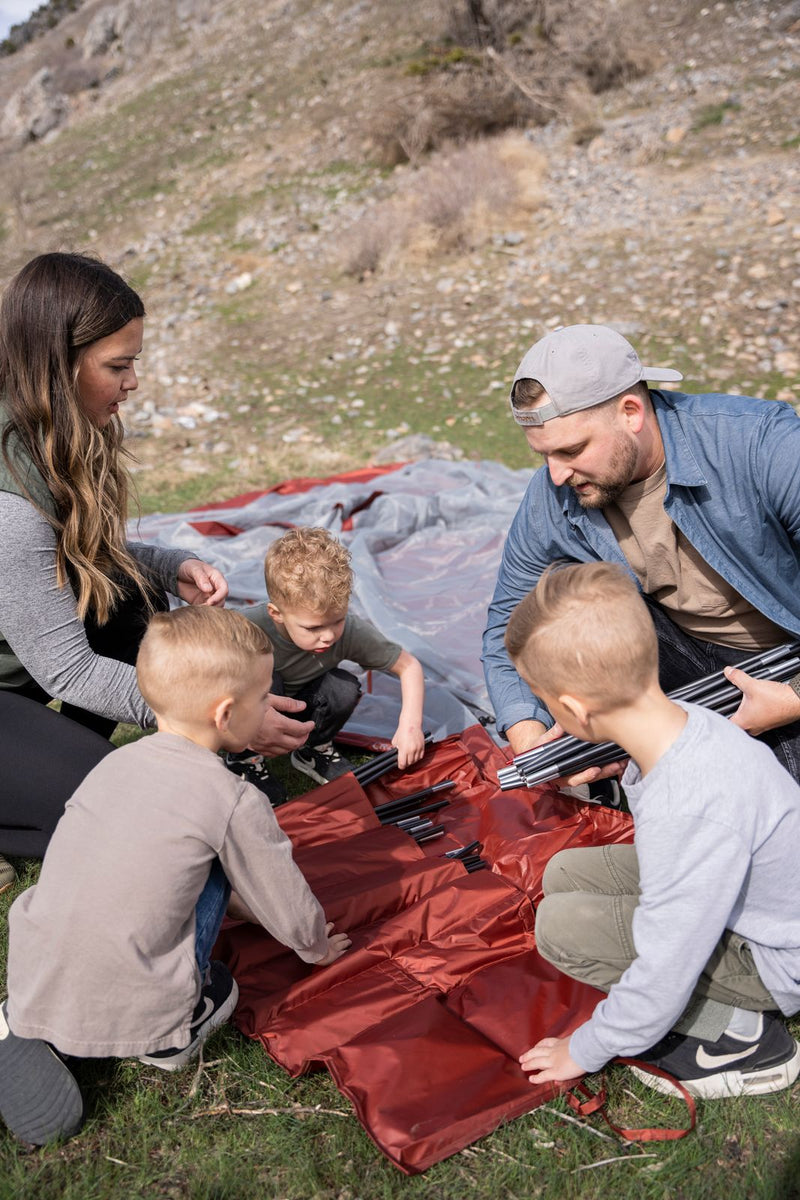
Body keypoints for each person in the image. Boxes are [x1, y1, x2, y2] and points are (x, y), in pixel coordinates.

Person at [0, 252, 312, 878]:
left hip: (26, 660)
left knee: (137, 598)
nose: (133, 382)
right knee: (124, 813)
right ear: (59, 369)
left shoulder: (63, 435)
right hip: (30, 675)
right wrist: (218, 717)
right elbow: (69, 671)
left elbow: (80, 556)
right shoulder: (11, 507)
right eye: (119, 365)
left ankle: (67, 762)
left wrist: (171, 565)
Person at [0, 605, 351, 1147]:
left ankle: (30, 1013)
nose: (266, 709)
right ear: (226, 713)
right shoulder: (232, 797)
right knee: (221, 870)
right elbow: (281, 891)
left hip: (34, 959)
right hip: (147, 1000)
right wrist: (316, 947)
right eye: (262, 700)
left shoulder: (112, 765)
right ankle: (168, 1033)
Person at [506, 562, 800, 1099]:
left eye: (541, 697)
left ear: (571, 707)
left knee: (560, 928)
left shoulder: (688, 805)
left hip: (779, 956)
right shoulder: (686, 719)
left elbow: (665, 965)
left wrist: (588, 1046)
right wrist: (621, 765)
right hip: (752, 895)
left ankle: (740, 1038)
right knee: (564, 871)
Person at [482, 322, 800, 787]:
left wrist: (791, 699)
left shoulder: (762, 445)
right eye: (543, 455)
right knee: (563, 617)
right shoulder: (552, 496)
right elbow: (507, 625)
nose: (554, 475)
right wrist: (531, 737)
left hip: (784, 662)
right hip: (675, 655)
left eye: (572, 449)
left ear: (631, 411)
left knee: (777, 806)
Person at [228, 527, 426, 795]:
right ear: (277, 614)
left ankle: (313, 749)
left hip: (302, 706)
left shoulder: (351, 632)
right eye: (313, 628)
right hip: (252, 710)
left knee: (343, 687)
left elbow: (409, 666)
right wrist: (240, 722)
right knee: (261, 677)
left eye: (338, 621)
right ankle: (244, 759)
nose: (329, 636)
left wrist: (410, 726)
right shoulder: (243, 628)